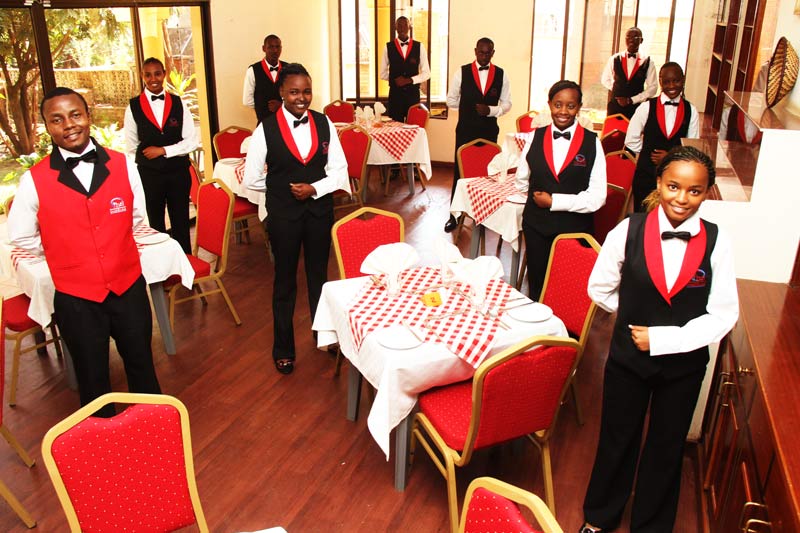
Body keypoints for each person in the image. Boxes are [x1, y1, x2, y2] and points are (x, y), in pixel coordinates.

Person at [579, 146, 739, 533]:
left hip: (684, 368)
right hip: (627, 361)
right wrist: (631, 313)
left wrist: (665, 339)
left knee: (667, 446)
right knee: (617, 439)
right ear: (659, 183)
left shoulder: (717, 241)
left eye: (694, 190)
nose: (681, 198)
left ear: (706, 193)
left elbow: (723, 314)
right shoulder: (628, 230)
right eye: (673, 186)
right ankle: (599, 517)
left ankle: (651, 526)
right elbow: (599, 288)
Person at [8, 87, 161, 418]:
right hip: (77, 299)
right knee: (92, 380)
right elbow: (20, 236)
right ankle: (102, 442)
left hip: (128, 288)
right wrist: (62, 249)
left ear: (88, 116)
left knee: (142, 367)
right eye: (57, 119)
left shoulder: (123, 165)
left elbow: (137, 218)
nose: (69, 125)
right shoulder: (34, 180)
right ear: (47, 126)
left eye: (75, 115)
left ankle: (153, 431)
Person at [242, 63, 349, 375]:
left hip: (319, 212)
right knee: (285, 281)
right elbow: (252, 179)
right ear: (281, 92)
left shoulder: (325, 123)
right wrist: (283, 189)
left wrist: (314, 188)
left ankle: (324, 336)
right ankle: (283, 349)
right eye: (293, 92)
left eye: (306, 91)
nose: (301, 98)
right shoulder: (265, 129)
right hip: (284, 216)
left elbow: (340, 171)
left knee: (319, 276)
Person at [514, 80, 606, 300]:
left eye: (571, 106)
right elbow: (521, 180)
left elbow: (598, 197)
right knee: (537, 284)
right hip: (537, 227)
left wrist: (554, 201)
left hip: (574, 230)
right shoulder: (534, 137)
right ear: (549, 105)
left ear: (579, 107)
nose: (563, 111)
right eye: (558, 105)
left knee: (569, 288)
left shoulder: (592, 143)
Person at [124, 57, 197, 253]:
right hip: (150, 175)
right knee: (155, 222)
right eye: (148, 75)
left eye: (157, 74)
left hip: (178, 173)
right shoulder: (132, 107)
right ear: (142, 76)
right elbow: (131, 146)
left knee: (181, 220)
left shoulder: (178, 103)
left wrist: (163, 151)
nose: (153, 79)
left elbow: (191, 141)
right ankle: (161, 263)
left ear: (164, 74)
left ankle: (185, 261)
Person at [444, 37, 512, 232]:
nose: (484, 56)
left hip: (489, 131)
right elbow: (450, 100)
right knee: (461, 172)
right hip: (465, 130)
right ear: (475, 51)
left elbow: (507, 103)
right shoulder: (462, 72)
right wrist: (467, 107)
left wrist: (490, 111)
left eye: (488, 52)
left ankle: (485, 215)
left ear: (493, 53)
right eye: (481, 52)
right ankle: (454, 215)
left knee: (488, 172)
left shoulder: (501, 74)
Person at [625, 62, 699, 212]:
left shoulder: (691, 110)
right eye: (666, 82)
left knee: (671, 215)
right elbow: (631, 139)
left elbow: (692, 147)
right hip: (647, 176)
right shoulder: (646, 107)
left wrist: (670, 157)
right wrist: (646, 152)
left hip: (677, 178)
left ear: (683, 80)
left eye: (676, 81)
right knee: (643, 216)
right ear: (660, 82)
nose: (671, 85)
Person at [379, 16, 431, 122]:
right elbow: (382, 74)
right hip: (395, 96)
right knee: (395, 127)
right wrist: (394, 80)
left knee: (413, 126)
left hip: (413, 96)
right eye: (399, 26)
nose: (402, 28)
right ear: (395, 28)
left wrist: (409, 80)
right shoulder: (388, 47)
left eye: (405, 26)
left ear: (409, 27)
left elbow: (427, 73)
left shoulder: (419, 47)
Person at [600, 27, 657, 119]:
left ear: (641, 40)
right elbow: (605, 79)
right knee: (613, 128)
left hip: (636, 108)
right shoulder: (614, 59)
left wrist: (632, 100)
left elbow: (653, 88)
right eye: (628, 37)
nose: (631, 40)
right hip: (615, 107)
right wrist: (617, 90)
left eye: (635, 37)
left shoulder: (648, 62)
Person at [243, 34, 287, 124]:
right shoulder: (253, 70)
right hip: (264, 122)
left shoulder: (288, 68)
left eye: (277, 47)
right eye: (270, 47)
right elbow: (247, 100)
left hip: (286, 121)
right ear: (264, 48)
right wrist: (263, 107)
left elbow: (295, 95)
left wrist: (282, 106)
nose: (275, 50)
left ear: (281, 48)